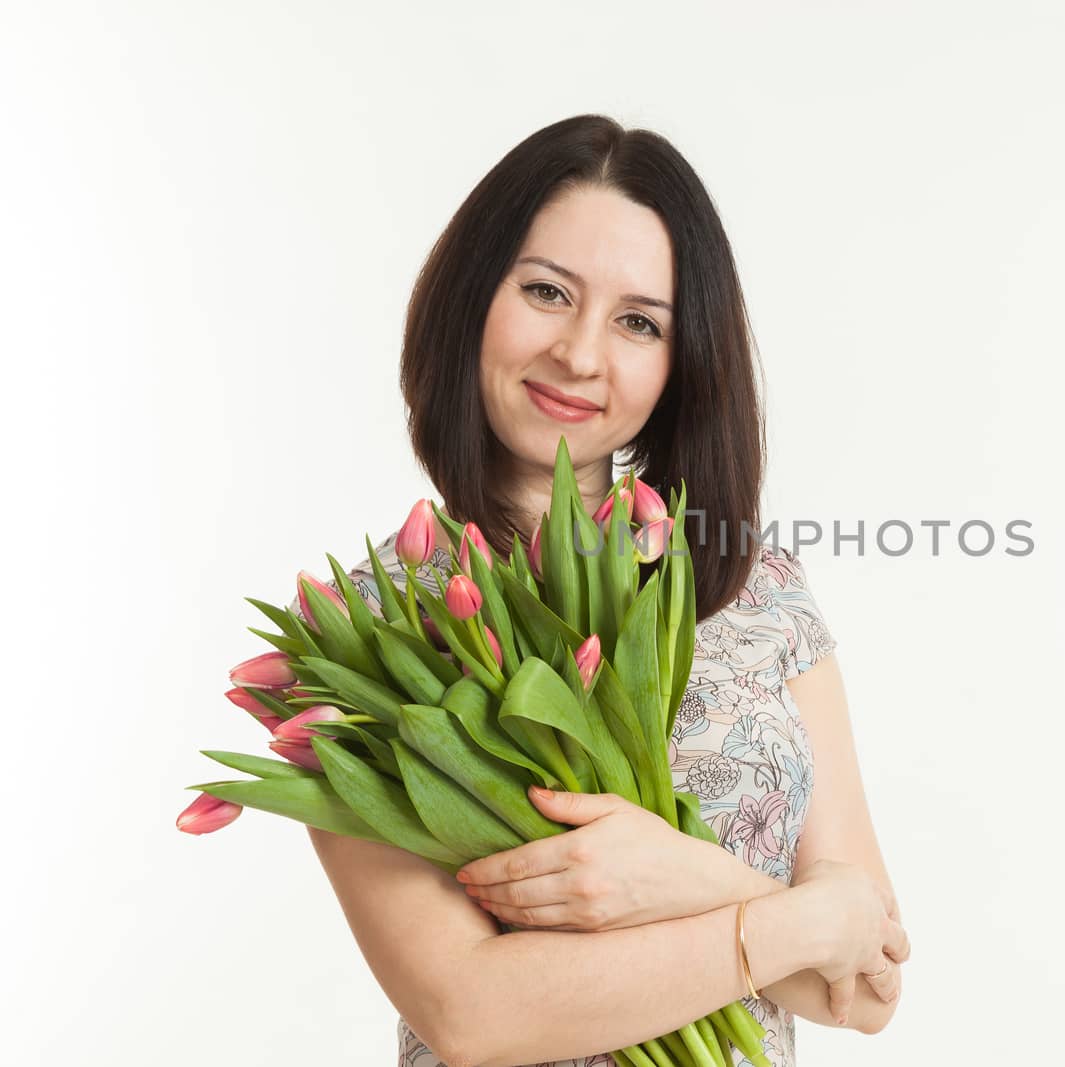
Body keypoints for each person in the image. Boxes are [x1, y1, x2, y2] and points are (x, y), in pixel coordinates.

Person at [297, 114, 910, 1067]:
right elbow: (474, 1013)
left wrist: (677, 874)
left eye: (639, 321)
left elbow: (865, 984)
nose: (582, 355)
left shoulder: (756, 588)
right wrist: (792, 920)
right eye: (546, 291)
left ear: (681, 360)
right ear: (473, 298)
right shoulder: (366, 634)